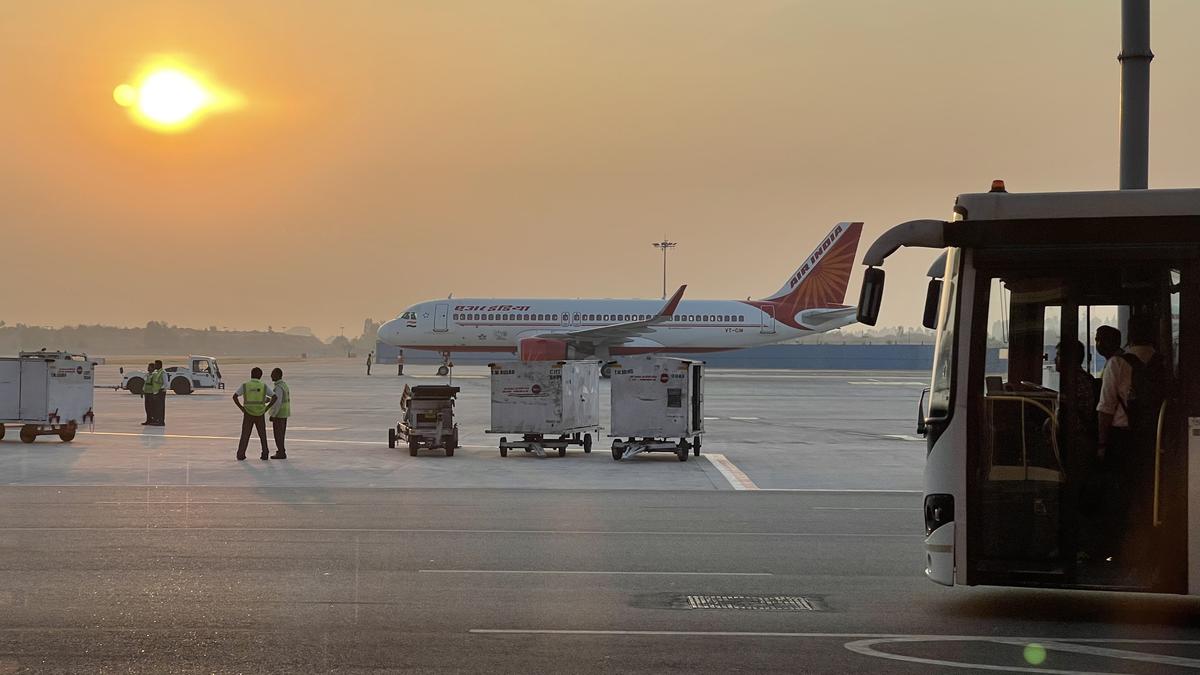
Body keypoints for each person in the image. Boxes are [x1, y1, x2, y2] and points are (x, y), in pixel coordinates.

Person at [233, 367, 275, 461]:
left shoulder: (245, 385)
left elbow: (235, 396)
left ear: (251, 375)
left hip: (248, 413)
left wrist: (241, 408)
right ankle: (265, 454)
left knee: (245, 434)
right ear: (260, 376)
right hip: (260, 413)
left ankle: (241, 454)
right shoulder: (263, 386)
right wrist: (267, 407)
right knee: (262, 435)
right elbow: (274, 397)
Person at [268, 367, 290, 459]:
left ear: (277, 375)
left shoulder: (278, 387)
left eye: (273, 374)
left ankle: (281, 452)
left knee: (278, 435)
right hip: (284, 413)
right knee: (281, 434)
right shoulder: (284, 385)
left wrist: (273, 415)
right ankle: (281, 451)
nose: (271, 375)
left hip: (279, 414)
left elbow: (277, 402)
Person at [152, 359, 166, 426]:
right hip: (156, 392)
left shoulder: (163, 372)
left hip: (161, 392)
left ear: (159, 365)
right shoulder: (156, 372)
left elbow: (165, 383)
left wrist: (160, 390)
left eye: (156, 364)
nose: (154, 365)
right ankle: (157, 420)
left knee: (161, 407)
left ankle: (161, 421)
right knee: (157, 407)